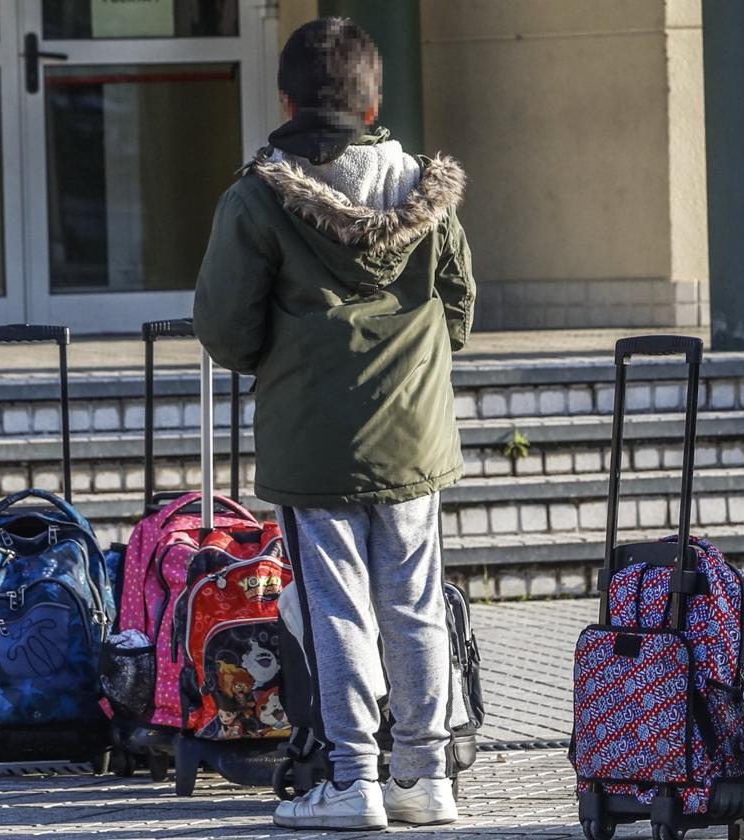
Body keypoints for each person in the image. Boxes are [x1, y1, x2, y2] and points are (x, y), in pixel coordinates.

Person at [192, 17, 475, 832]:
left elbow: (225, 327)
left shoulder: (257, 197)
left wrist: (282, 364)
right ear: (374, 100)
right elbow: (458, 308)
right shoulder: (427, 190)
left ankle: (354, 780)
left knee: (334, 606)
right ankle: (426, 777)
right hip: (414, 433)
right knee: (415, 600)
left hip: (312, 438)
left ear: (285, 100)